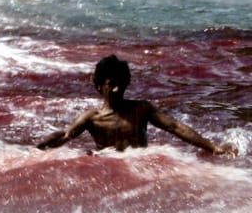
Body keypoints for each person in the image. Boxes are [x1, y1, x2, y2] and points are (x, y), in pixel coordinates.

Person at [37, 54, 235, 155]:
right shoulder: (92, 118)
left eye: (120, 84)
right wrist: (35, 150)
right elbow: (65, 135)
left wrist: (213, 147)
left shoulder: (141, 109)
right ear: (98, 86)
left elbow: (174, 127)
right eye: (111, 85)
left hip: (140, 169)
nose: (116, 89)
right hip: (110, 171)